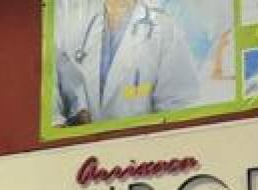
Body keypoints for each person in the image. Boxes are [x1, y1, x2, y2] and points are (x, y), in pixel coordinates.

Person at [53, 0, 200, 127]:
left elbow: (178, 103)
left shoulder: (165, 30)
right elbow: (61, 81)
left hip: (140, 141)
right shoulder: (77, 24)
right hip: (85, 142)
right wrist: (76, 110)